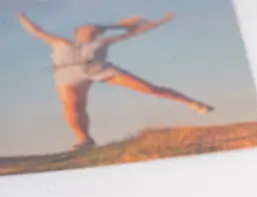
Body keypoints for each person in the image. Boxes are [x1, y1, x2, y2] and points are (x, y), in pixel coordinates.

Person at [17, 12, 214, 152]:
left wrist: (162, 20)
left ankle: (192, 103)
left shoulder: (102, 42)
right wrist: (21, 14)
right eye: (88, 29)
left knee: (149, 88)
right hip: (67, 74)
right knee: (73, 106)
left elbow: (134, 32)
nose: (91, 30)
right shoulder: (60, 42)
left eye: (95, 30)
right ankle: (84, 140)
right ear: (77, 32)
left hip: (99, 69)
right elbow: (35, 30)